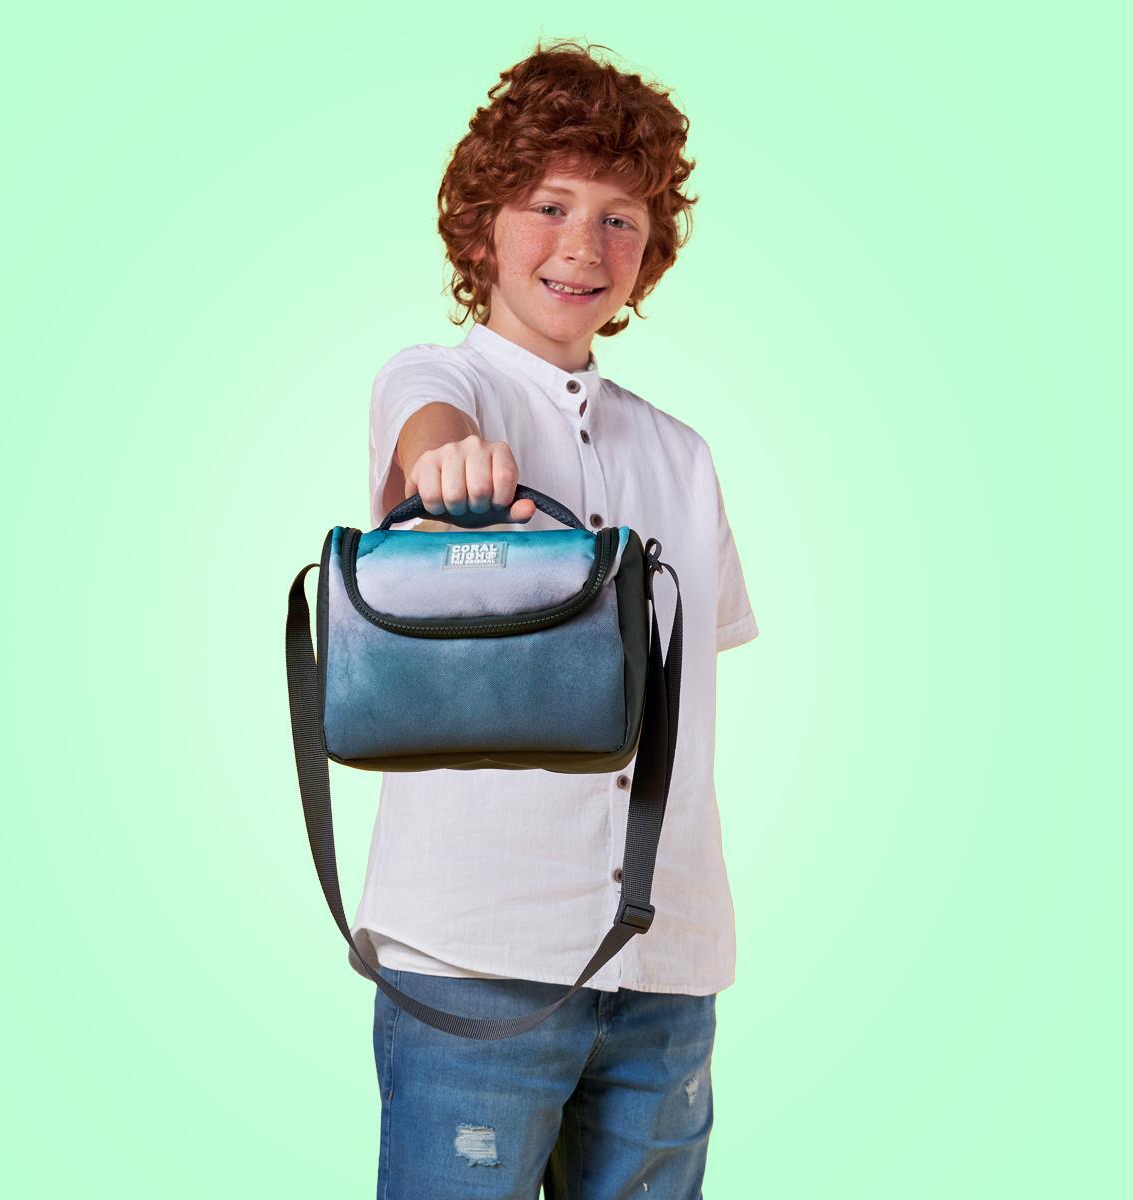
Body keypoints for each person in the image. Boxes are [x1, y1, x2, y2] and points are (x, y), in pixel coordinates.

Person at [352, 38, 760, 1199]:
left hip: (668, 964)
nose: (584, 245)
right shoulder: (444, 383)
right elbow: (424, 420)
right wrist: (450, 468)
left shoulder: (681, 455)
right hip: (474, 959)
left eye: (620, 218)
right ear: (482, 225)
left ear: (650, 248)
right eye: (550, 205)